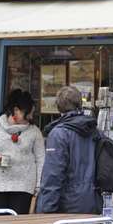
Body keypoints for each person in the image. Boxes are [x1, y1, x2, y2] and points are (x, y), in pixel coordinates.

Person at [0, 89, 45, 214]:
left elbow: (41, 159)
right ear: (16, 110)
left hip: (24, 186)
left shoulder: (34, 131)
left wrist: (38, 186)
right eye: (28, 113)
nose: (31, 117)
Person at [36, 86, 101, 216]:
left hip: (66, 205)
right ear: (80, 103)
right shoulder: (94, 131)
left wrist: (45, 211)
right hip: (93, 202)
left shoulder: (59, 134)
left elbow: (53, 175)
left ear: (58, 107)